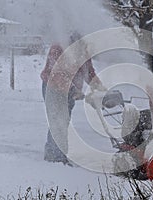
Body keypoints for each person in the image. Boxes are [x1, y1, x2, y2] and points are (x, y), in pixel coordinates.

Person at [41, 32, 105, 165]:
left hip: (70, 90)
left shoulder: (82, 48)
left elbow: (88, 72)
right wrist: (74, 89)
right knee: (58, 122)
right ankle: (55, 157)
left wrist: (100, 88)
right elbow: (57, 73)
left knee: (64, 122)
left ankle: (58, 154)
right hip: (52, 88)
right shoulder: (58, 46)